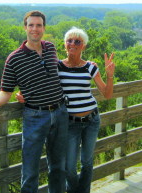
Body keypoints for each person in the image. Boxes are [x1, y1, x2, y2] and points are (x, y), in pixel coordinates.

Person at [0, 10, 68, 193]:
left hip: (60, 112)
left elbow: (56, 74)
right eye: (31, 25)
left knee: (58, 167)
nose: (35, 29)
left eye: (39, 25)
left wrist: (85, 65)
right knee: (30, 170)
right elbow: (6, 91)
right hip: (35, 116)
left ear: (44, 28)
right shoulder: (14, 58)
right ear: (25, 28)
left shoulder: (51, 48)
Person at [59, 27, 115, 193]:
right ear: (64, 44)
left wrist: (110, 75)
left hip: (92, 120)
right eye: (70, 40)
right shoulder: (58, 66)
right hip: (70, 123)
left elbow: (107, 94)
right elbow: (43, 85)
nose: (73, 44)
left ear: (83, 46)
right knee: (69, 167)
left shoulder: (91, 68)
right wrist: (24, 95)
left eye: (78, 41)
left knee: (87, 162)